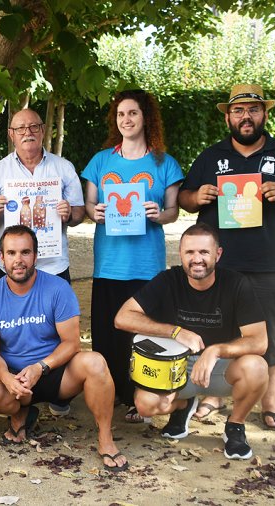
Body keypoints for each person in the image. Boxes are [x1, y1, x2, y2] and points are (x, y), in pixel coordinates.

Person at [178, 84, 275, 429]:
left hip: (268, 263)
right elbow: (183, 198)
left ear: (264, 115)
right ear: (228, 116)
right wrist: (198, 196)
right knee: (217, 330)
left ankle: (269, 398)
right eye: (239, 111)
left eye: (253, 110)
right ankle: (214, 394)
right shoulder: (210, 157)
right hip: (218, 264)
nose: (246, 117)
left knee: (269, 333)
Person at [0, 225, 128, 472]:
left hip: (55, 371)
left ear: (36, 255)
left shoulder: (58, 288)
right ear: (1, 257)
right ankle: (20, 415)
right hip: (14, 375)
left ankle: (106, 439)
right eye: (12, 253)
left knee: (96, 362)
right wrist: (6, 378)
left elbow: (72, 343)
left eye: (25, 252)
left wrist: (40, 367)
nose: (19, 260)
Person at [114, 223, 269, 459]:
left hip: (219, 369)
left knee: (257, 367)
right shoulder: (168, 280)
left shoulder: (236, 284)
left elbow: (259, 341)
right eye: (190, 252)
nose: (197, 259)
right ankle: (184, 406)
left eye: (204, 252)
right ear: (181, 254)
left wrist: (216, 350)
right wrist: (175, 332)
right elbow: (122, 317)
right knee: (145, 405)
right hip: (174, 366)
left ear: (218, 254)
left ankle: (235, 425)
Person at [81, 90, 184, 424]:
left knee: (142, 335)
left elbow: (173, 211)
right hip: (109, 264)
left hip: (146, 265)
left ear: (146, 118)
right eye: (121, 114)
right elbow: (88, 207)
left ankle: (138, 397)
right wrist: (93, 212)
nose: (126, 120)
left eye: (133, 113)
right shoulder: (100, 161)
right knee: (107, 333)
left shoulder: (164, 163)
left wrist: (159, 213)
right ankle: (107, 393)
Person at [0, 107, 86, 417]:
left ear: (43, 131)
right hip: (12, 268)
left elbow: (79, 214)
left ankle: (58, 391)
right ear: (10, 134)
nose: (28, 132)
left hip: (52, 263)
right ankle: (16, 387)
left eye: (34, 126)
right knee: (14, 331)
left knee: (56, 330)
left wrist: (69, 213)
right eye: (20, 128)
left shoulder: (63, 168)